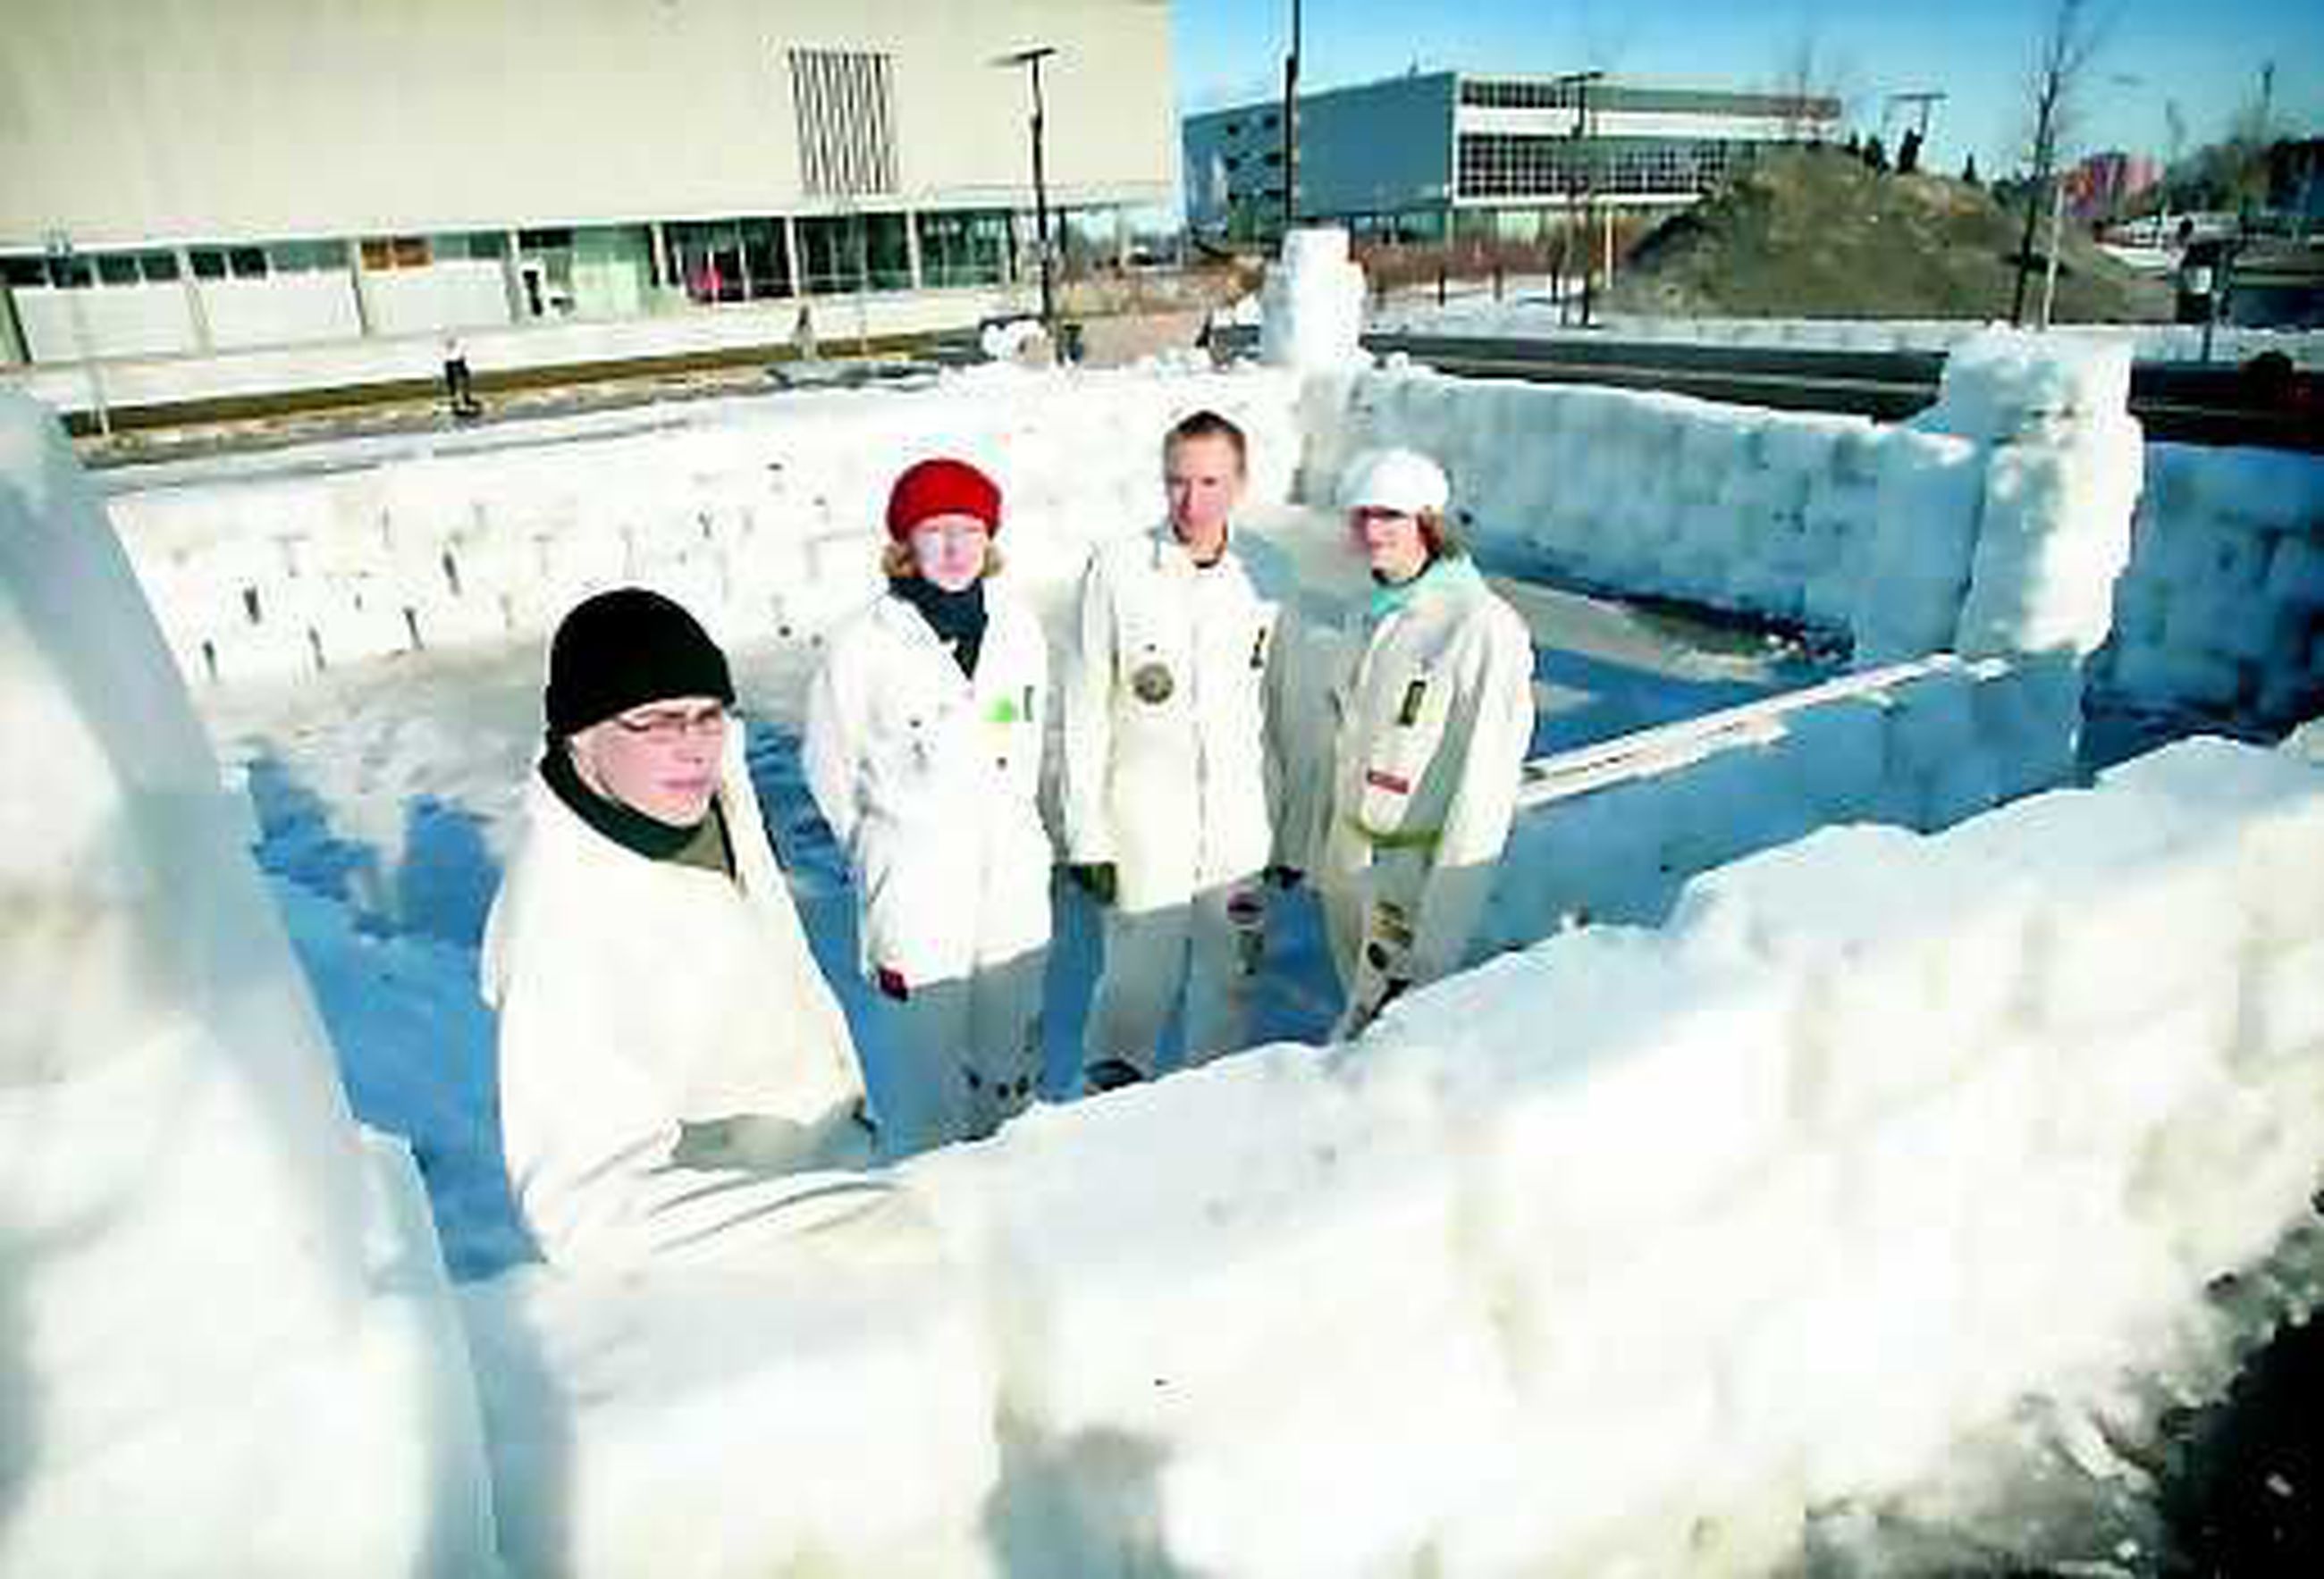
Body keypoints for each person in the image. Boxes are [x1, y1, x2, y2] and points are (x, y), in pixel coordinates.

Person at [482, 587, 883, 1270]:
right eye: (659, 721)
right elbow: (584, 1209)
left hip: (832, 1169)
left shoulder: (704, 791)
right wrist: (845, 1216)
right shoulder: (561, 922)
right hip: (755, 1254)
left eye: (707, 715)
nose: (694, 746)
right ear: (581, 733)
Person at [804, 458, 1052, 1152]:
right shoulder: (862, 643)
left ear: (989, 539)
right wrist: (878, 846)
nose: (952, 548)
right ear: (905, 543)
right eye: (933, 530)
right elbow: (828, 762)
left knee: (1012, 1061)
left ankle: (1017, 1188)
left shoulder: (1018, 629)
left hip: (1008, 872)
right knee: (928, 1074)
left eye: (968, 530)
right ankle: (936, 1217)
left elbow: (1027, 744)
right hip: (915, 885)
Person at [1061, 410, 1284, 1089]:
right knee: (1135, 985)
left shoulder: (1270, 575)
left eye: (1211, 481)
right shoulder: (1119, 569)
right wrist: (1085, 834)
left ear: (1241, 482)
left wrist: (1294, 831)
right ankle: (1104, 1115)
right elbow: (1083, 708)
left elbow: (1289, 709)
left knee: (1231, 983)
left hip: (1237, 826)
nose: (1193, 501)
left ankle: (1212, 1114)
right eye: (1177, 482)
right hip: (1143, 820)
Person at [1317, 448, 1535, 1038]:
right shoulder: (1370, 614)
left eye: (1389, 516)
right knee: (1359, 1011)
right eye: (1361, 515)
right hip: (1353, 857)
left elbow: (1484, 794)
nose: (1370, 531)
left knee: (1372, 1031)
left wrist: (1437, 945)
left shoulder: (1481, 629)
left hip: (1410, 876)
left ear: (1428, 522)